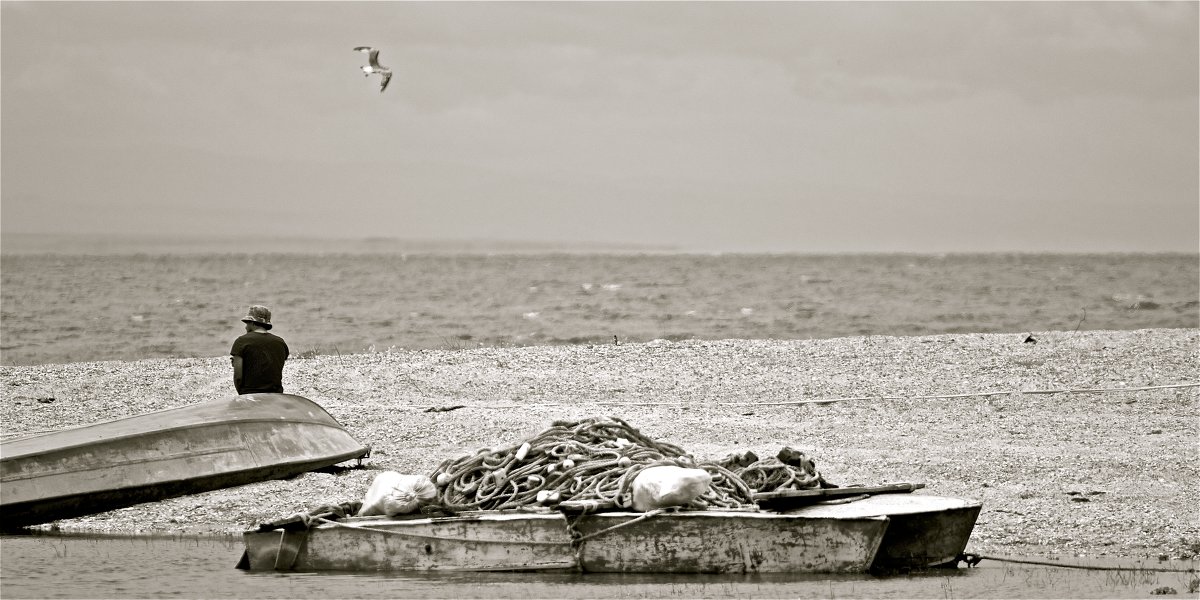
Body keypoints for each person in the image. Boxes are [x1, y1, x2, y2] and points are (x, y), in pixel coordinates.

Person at [230, 305, 289, 395]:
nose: (245, 327)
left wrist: (242, 394)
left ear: (253, 323)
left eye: (247, 323)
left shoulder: (241, 341)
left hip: (250, 394)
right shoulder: (280, 343)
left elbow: (238, 377)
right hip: (276, 395)